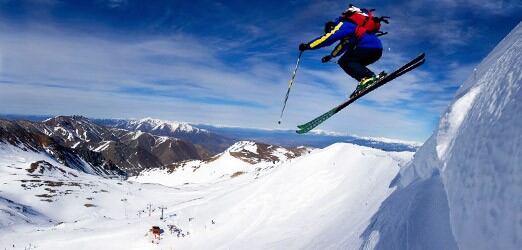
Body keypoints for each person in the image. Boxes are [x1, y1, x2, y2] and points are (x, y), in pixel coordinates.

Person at [299, 5, 385, 97]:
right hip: (377, 51)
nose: (330, 32)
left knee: (346, 61)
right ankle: (366, 79)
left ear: (331, 27)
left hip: (367, 48)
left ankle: (367, 77)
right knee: (347, 62)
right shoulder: (352, 32)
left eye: (329, 31)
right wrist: (330, 56)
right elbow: (341, 47)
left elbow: (328, 38)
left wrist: (308, 46)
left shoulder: (344, 24)